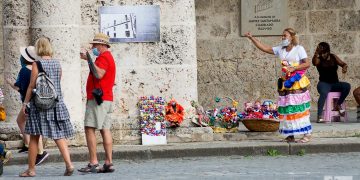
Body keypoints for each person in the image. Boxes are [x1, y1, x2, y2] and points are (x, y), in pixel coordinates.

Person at [245, 28, 312, 143]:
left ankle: (307, 133)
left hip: (296, 83)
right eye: (282, 35)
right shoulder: (281, 50)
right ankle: (290, 135)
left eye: (285, 35)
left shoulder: (299, 49)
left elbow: (307, 63)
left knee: (298, 107)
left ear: (292, 37)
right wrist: (252, 38)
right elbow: (265, 48)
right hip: (285, 83)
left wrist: (295, 67)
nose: (282, 37)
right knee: (287, 108)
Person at [19, 37, 74, 177]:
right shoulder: (57, 63)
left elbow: (32, 86)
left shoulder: (37, 64)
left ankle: (31, 170)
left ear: (38, 48)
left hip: (40, 105)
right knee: (59, 136)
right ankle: (69, 164)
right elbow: (56, 83)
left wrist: (25, 104)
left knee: (34, 137)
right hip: (56, 104)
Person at [78, 33, 116, 173]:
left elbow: (99, 74)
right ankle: (108, 162)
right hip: (106, 99)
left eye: (94, 45)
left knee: (89, 128)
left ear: (101, 45)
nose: (92, 47)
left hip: (98, 99)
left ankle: (93, 162)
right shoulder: (107, 57)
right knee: (105, 129)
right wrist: (89, 59)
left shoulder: (104, 57)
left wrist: (88, 58)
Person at [5, 46, 49, 165]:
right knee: (21, 120)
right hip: (39, 100)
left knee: (34, 127)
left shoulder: (25, 70)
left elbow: (19, 87)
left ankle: (40, 153)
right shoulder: (38, 67)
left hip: (29, 102)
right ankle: (27, 144)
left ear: (24, 58)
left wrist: (9, 82)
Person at [312, 42, 351, 123]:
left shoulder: (333, 57)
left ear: (328, 51)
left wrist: (344, 67)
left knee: (347, 86)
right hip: (323, 84)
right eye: (321, 52)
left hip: (335, 84)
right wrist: (316, 53)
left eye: (324, 52)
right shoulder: (318, 58)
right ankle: (319, 116)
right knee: (323, 94)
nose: (323, 55)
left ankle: (338, 104)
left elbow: (343, 64)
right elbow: (315, 63)